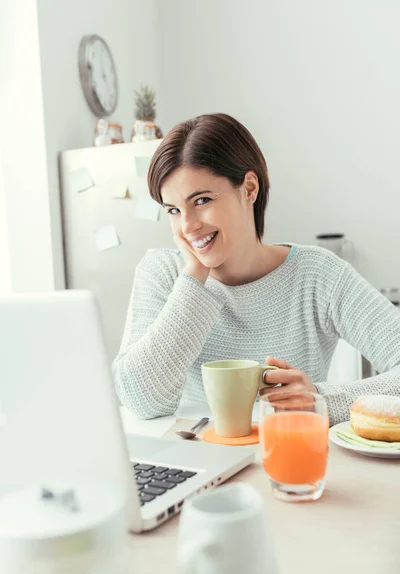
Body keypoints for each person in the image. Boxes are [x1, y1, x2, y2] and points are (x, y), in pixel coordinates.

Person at [112, 113, 400, 424]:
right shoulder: (163, 273)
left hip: (291, 460)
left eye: (202, 200)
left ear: (249, 188)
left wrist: (321, 400)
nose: (187, 226)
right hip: (198, 459)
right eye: (173, 210)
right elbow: (140, 400)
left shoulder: (318, 274)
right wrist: (194, 278)